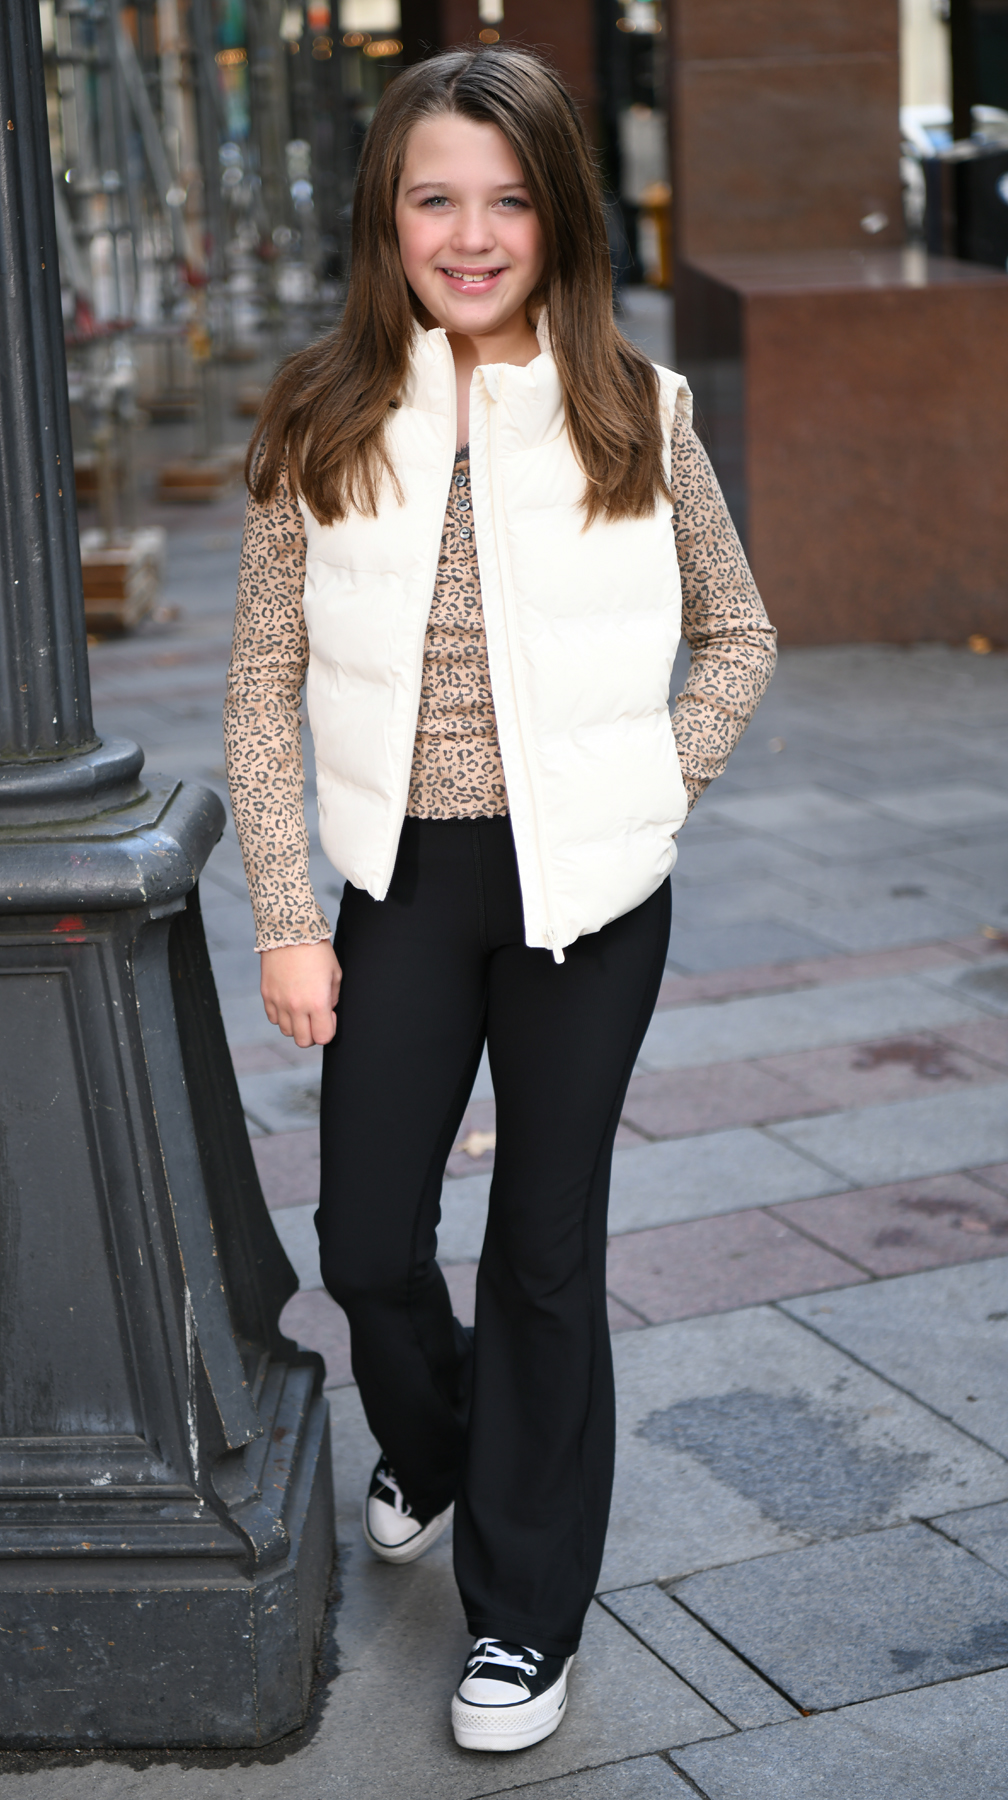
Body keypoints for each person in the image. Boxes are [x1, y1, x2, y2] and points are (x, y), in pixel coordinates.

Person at [224, 45, 775, 1755]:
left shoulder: (635, 410)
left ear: (561, 217)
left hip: (588, 895)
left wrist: (649, 791)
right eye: (435, 200)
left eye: (510, 200)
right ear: (386, 218)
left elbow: (740, 636)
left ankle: (524, 1621)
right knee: (365, 1241)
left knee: (544, 1250)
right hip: (405, 879)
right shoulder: (318, 417)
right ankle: (440, 1435)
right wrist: (287, 914)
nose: (472, 236)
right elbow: (259, 691)